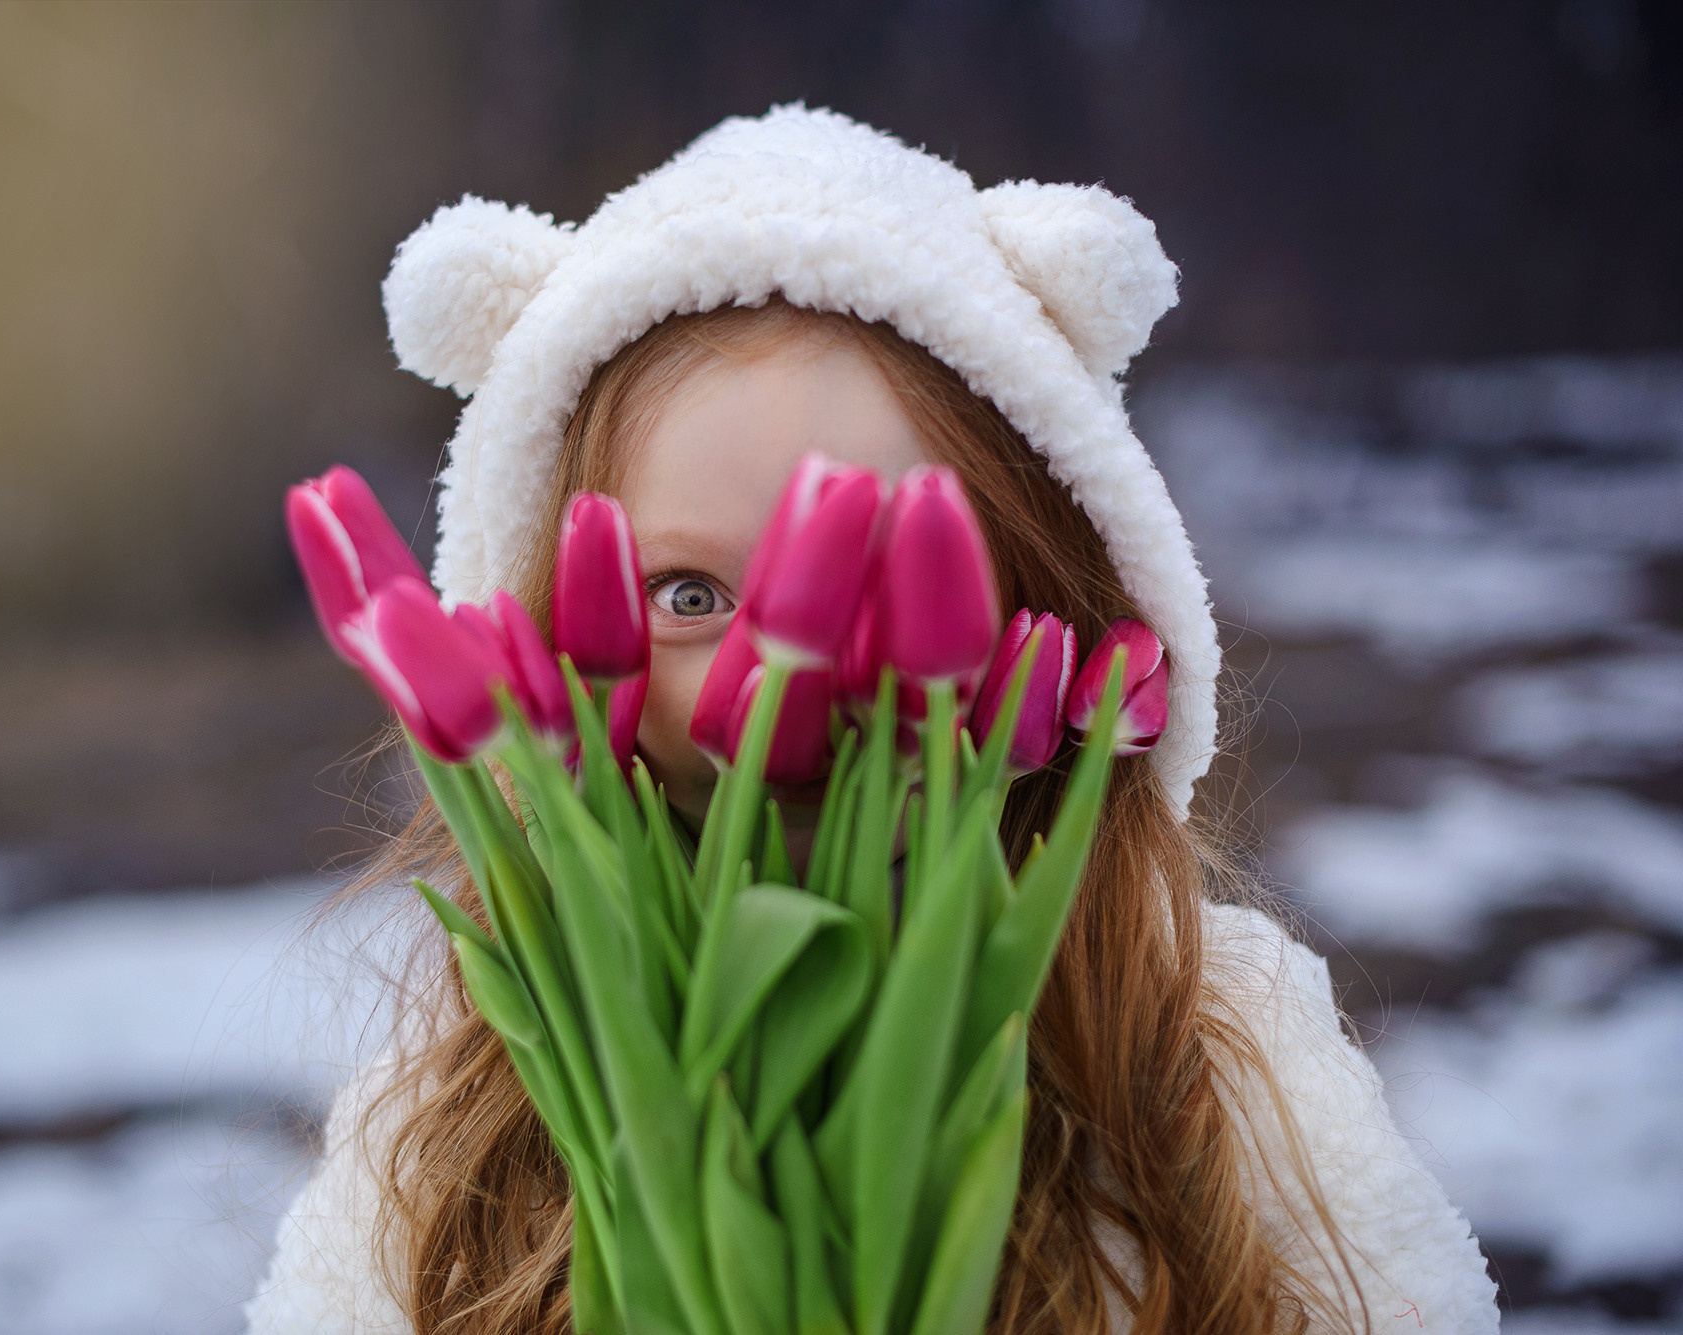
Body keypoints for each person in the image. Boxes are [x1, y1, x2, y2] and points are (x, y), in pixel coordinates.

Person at [246, 107, 1498, 1335]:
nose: (791, 671)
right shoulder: (463, 1110)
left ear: (1043, 602)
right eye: (688, 595)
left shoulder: (1204, 1047)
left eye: (873, 576)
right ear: (544, 641)